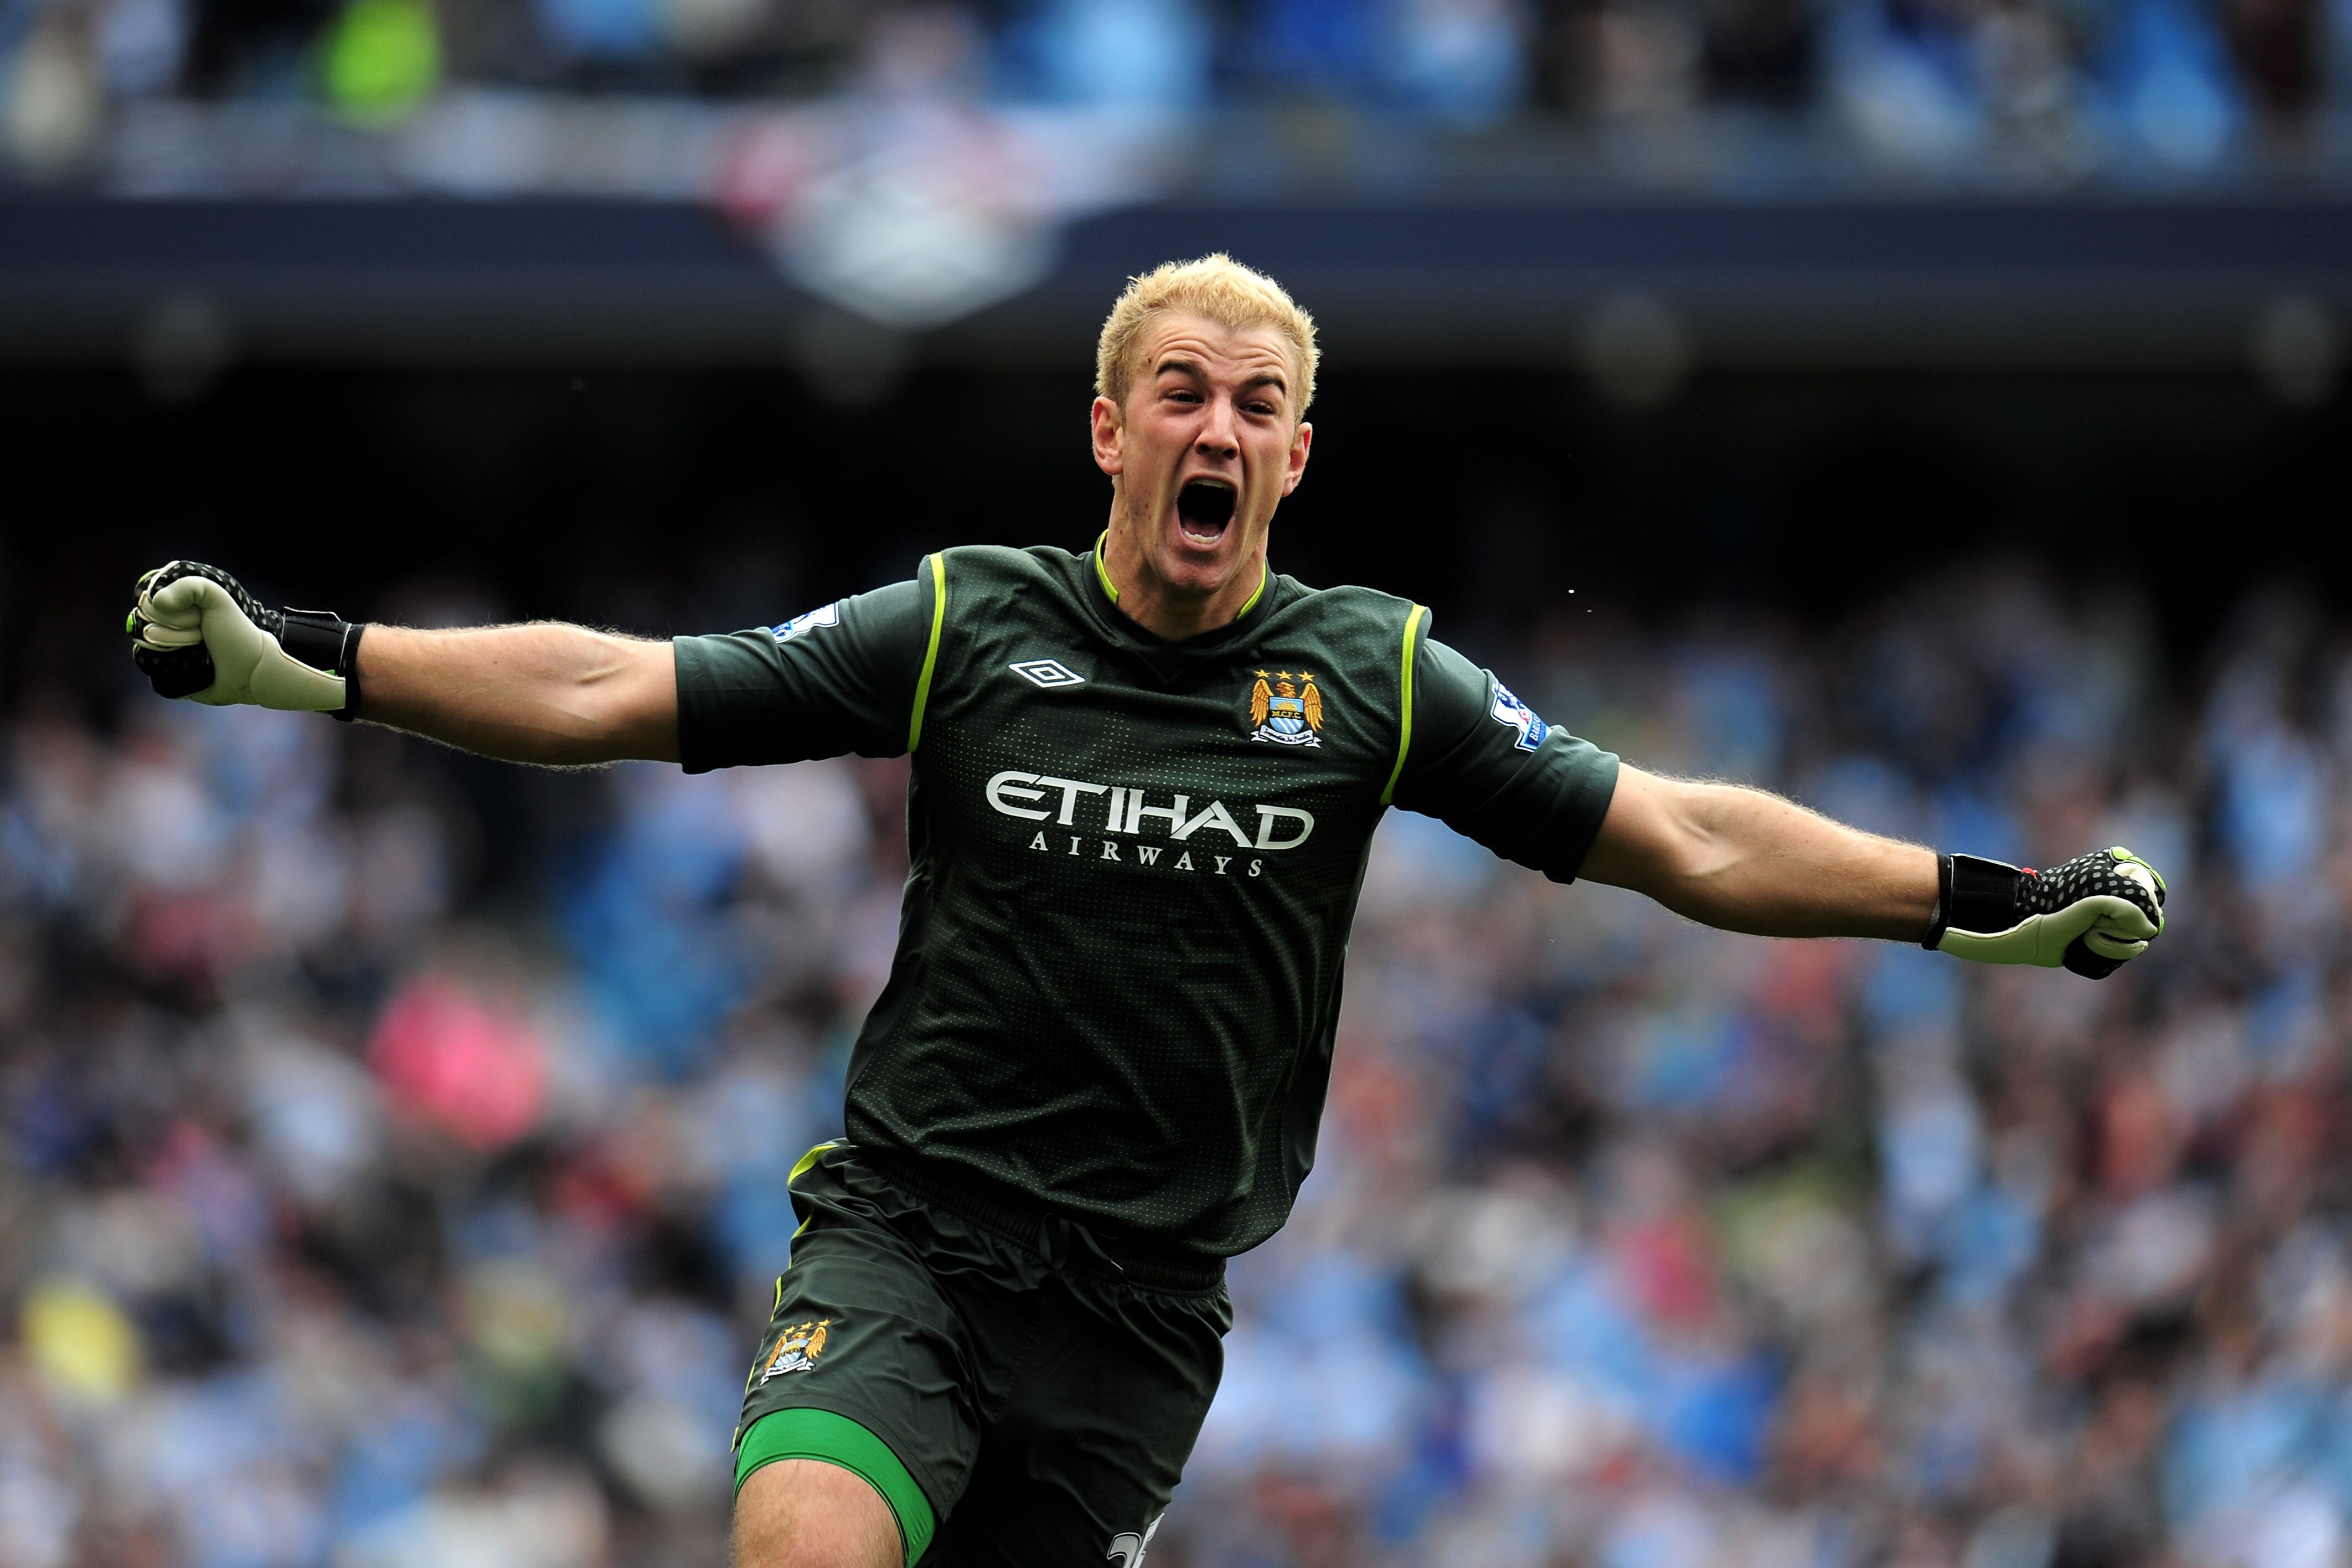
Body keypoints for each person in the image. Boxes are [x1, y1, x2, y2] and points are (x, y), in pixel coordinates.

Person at [125, 254, 2165, 1568]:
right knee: (807, 1543)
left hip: (1137, 1319)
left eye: (1258, 405)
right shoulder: (964, 623)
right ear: (1110, 430)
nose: (1219, 429)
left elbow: (1682, 838)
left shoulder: (1376, 676)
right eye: (1183, 391)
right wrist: (321, 661)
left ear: (1295, 457)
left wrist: (1969, 904)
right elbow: (619, 687)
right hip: (913, 1242)